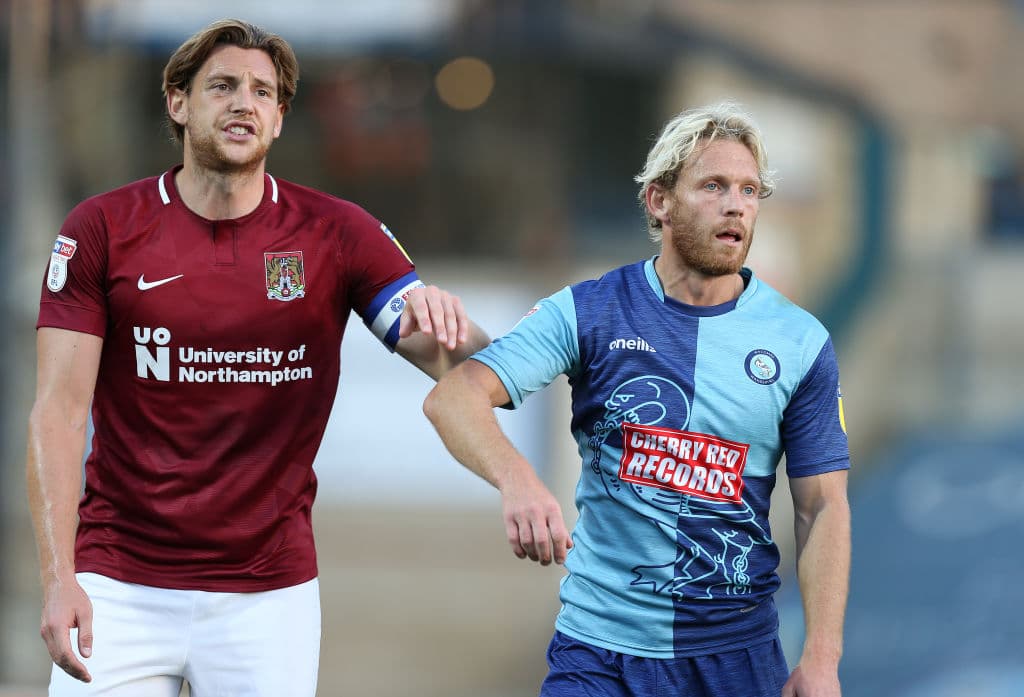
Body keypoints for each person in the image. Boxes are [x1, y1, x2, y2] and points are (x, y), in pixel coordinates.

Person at [27, 18, 489, 697]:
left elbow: (468, 367)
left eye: (262, 92)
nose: (244, 102)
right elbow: (59, 413)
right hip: (118, 582)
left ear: (278, 119)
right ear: (178, 103)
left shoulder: (337, 232)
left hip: (268, 594)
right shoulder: (101, 229)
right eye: (222, 86)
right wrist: (58, 576)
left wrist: (458, 327)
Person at [424, 102, 851, 697]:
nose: (736, 205)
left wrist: (822, 659)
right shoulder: (589, 310)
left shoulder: (801, 342)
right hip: (599, 652)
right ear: (659, 201)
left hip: (734, 657)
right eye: (714, 186)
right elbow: (454, 398)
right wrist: (518, 480)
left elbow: (822, 508)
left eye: (750, 190)